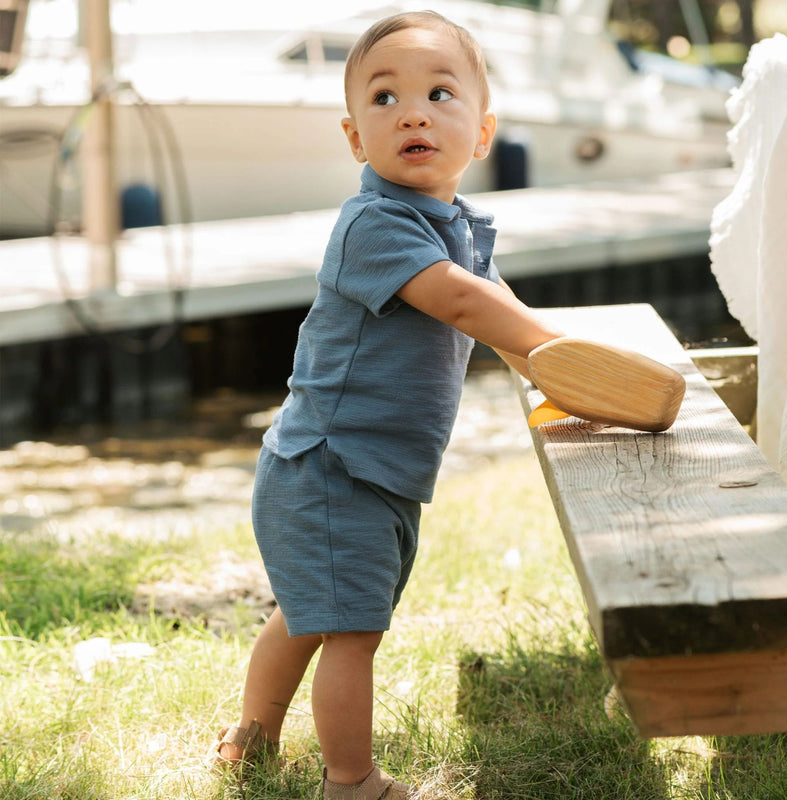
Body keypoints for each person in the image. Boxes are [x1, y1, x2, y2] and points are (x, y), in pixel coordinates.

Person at [211, 10, 563, 799]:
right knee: (349, 633)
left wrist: (557, 371)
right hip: (334, 469)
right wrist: (556, 352)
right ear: (353, 137)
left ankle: (250, 739)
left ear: (482, 133)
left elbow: (497, 310)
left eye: (441, 93)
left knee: (310, 614)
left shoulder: (457, 226)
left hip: (369, 470)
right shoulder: (375, 225)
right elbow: (468, 307)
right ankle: (352, 781)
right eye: (384, 98)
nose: (412, 112)